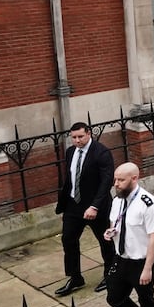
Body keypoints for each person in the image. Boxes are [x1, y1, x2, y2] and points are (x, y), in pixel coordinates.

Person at [103, 162, 154, 307]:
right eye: (115, 179)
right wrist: (111, 232)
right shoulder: (118, 199)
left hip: (141, 261)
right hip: (122, 258)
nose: (116, 184)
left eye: (121, 180)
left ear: (134, 178)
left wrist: (147, 269)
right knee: (114, 297)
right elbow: (116, 221)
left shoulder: (149, 203)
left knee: (146, 300)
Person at [54, 122, 116, 296]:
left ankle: (110, 275)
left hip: (97, 206)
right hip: (74, 206)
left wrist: (94, 206)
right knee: (68, 239)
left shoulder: (101, 153)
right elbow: (71, 179)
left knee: (105, 241)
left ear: (89, 134)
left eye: (80, 136)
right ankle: (75, 277)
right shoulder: (70, 152)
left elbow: (106, 182)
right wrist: (65, 204)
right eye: (73, 137)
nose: (77, 140)